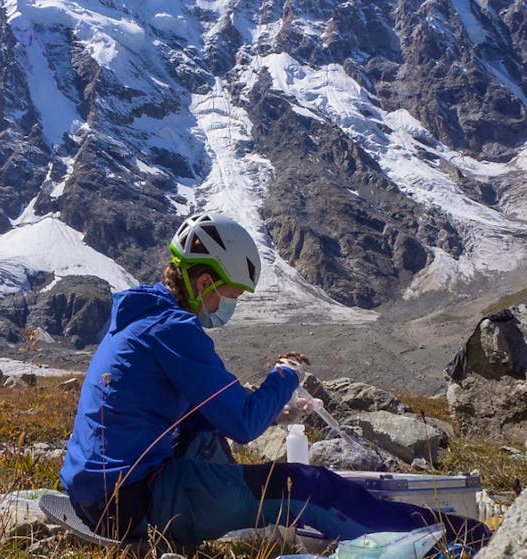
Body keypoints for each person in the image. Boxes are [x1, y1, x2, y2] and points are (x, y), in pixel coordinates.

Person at [59, 212, 490, 551]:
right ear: (205, 281)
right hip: (132, 503)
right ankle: (461, 537)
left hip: (96, 496)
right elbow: (243, 424)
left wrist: (276, 413)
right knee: (309, 486)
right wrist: (286, 374)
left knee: (207, 436)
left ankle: (234, 511)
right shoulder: (173, 329)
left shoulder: (143, 316)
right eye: (229, 296)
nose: (228, 307)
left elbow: (200, 415)